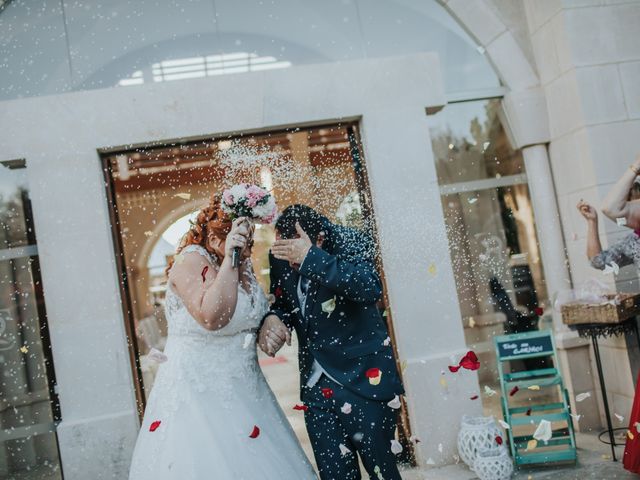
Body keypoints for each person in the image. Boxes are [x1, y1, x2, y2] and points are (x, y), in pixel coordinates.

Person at [128, 193, 317, 479]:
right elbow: (213, 317)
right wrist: (231, 258)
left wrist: (269, 323)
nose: (248, 247)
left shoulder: (242, 264)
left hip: (247, 390)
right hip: (200, 392)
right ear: (216, 239)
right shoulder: (190, 261)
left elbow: (249, 313)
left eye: (249, 239)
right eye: (241, 239)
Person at [258, 204, 405, 480]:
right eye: (284, 251)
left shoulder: (352, 240)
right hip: (316, 390)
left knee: (382, 473)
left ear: (320, 239)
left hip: (365, 381)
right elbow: (285, 303)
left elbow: (369, 288)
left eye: (294, 253)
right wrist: (274, 318)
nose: (289, 262)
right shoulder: (280, 254)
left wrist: (310, 257)